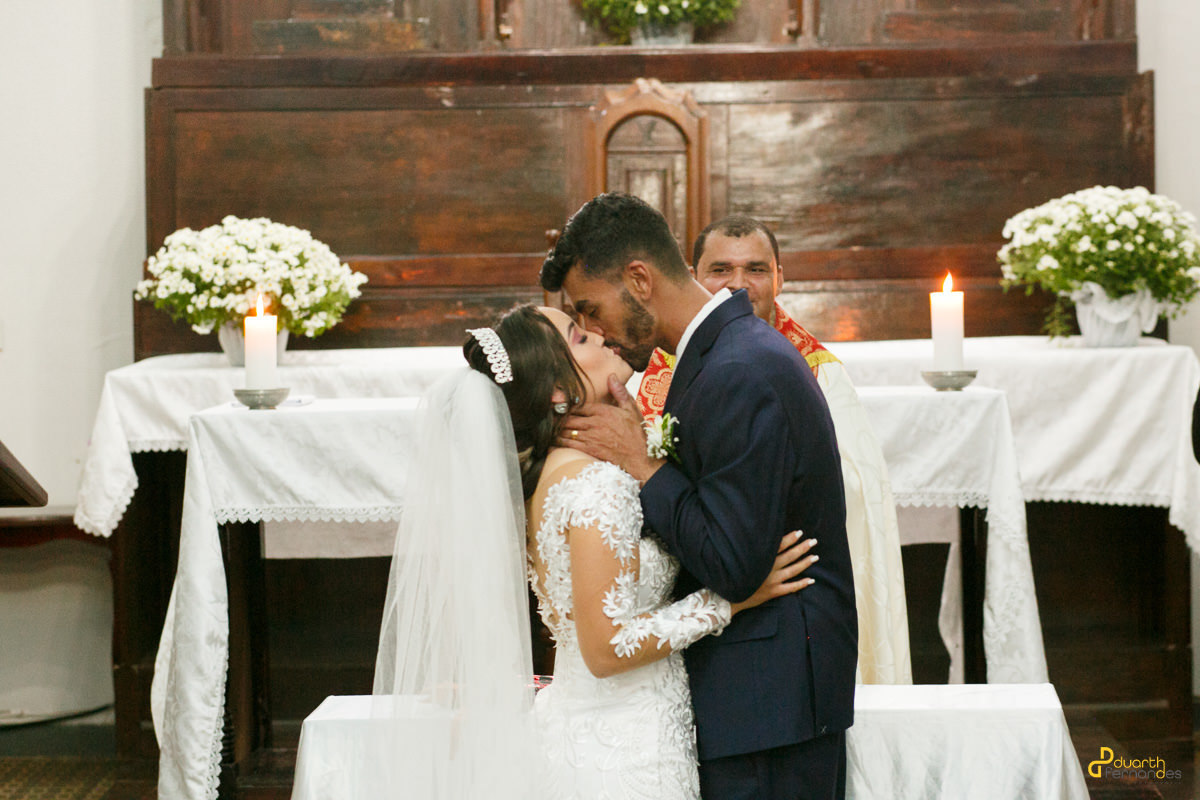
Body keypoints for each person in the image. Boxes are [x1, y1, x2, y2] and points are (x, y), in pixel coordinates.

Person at [374, 304, 818, 800]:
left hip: (604, 729)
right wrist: (730, 601)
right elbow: (606, 649)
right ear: (559, 391)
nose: (601, 336)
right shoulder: (593, 487)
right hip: (621, 752)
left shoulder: (558, 475)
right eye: (580, 337)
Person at [541, 193, 858, 800]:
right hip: (757, 698)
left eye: (591, 309)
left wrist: (644, 464)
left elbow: (736, 568)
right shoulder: (719, 354)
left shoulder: (737, 367)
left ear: (638, 279)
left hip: (770, 708)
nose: (596, 330)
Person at [637, 214, 912, 686]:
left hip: (790, 595)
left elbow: (857, 487)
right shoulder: (652, 373)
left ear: (780, 277)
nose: (738, 285)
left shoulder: (818, 369)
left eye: (757, 270)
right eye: (721, 270)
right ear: (692, 276)